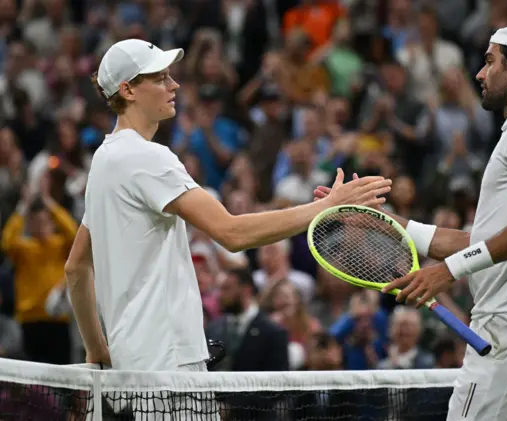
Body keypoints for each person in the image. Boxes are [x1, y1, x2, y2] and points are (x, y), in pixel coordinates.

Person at [63, 39, 392, 374]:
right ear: (128, 91)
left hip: (129, 364)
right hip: (168, 364)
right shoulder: (148, 158)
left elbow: (76, 268)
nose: (173, 84)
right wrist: (329, 206)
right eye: (160, 78)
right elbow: (232, 233)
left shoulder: (104, 161)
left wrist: (97, 349)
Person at [315, 23, 507, 421]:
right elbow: (487, 241)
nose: (480, 72)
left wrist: (448, 272)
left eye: (490, 61)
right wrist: (385, 223)